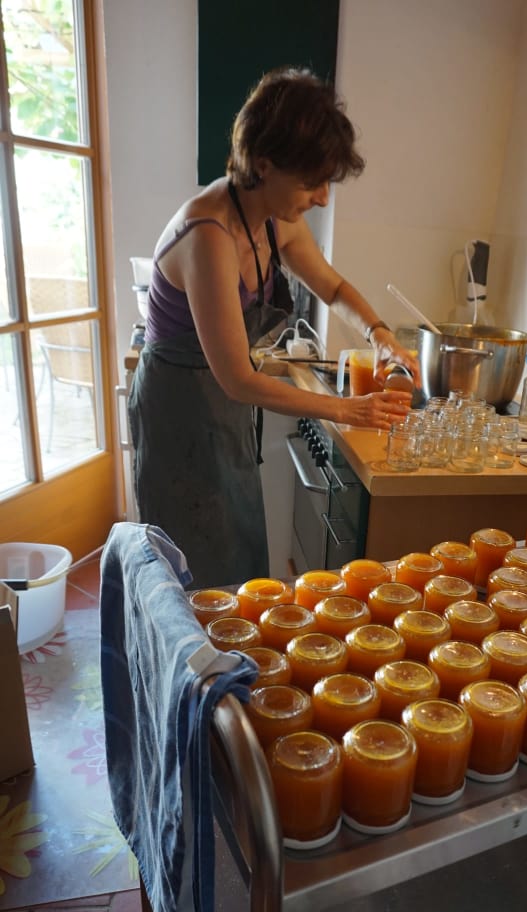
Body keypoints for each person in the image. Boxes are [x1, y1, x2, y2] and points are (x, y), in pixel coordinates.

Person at [129, 66, 419, 588]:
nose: (324, 197)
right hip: (179, 410)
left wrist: (380, 335)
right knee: (192, 569)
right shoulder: (208, 234)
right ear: (264, 165)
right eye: (313, 181)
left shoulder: (275, 219)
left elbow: (332, 287)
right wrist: (344, 409)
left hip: (224, 406)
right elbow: (239, 379)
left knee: (237, 551)